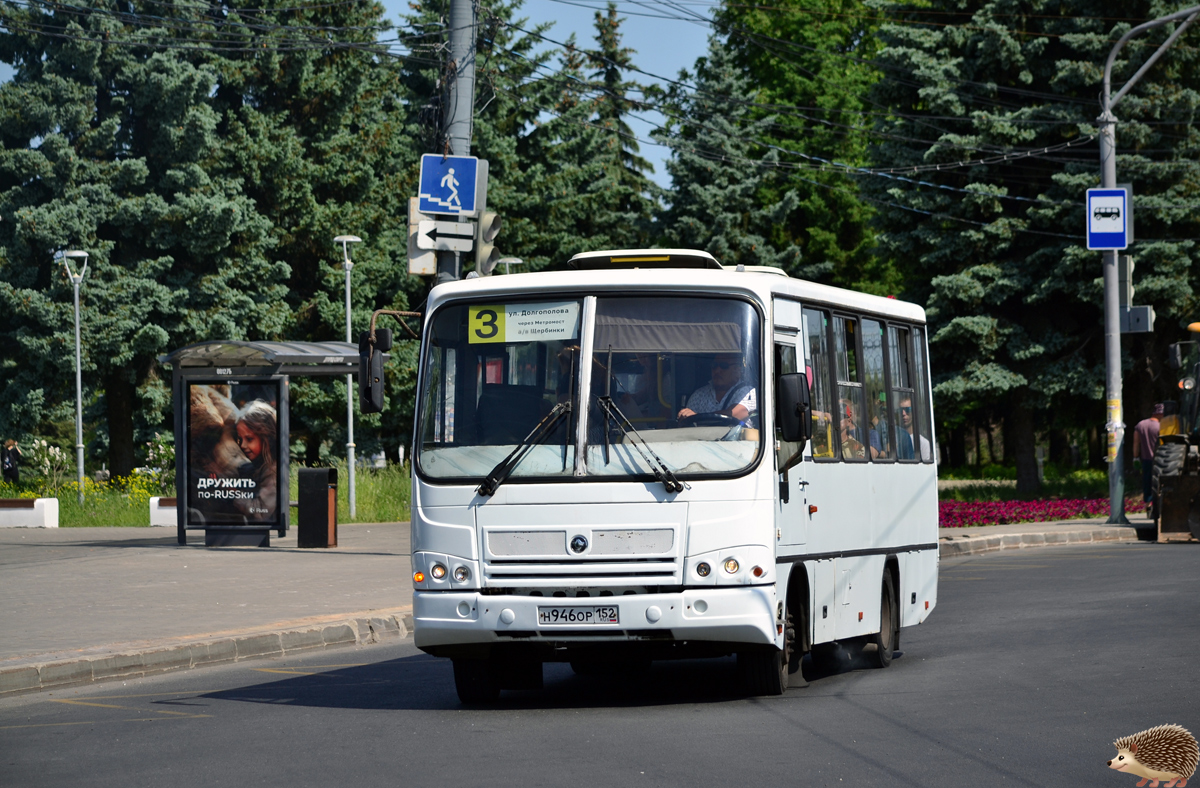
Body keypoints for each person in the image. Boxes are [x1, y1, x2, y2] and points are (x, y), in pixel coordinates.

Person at [677, 353, 757, 424]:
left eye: (724, 366)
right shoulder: (699, 395)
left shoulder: (748, 392)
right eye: (714, 365)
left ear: (737, 370)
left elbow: (734, 414)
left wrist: (698, 416)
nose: (717, 370)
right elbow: (687, 422)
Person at [234, 400, 278, 521]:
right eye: (240, 439)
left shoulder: (273, 472)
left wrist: (232, 492)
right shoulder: (253, 467)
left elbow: (260, 513)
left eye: (249, 439)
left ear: (266, 438)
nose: (242, 445)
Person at [1132, 403, 1164, 504]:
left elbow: (1136, 443)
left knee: (1147, 482)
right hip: (1159, 459)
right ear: (1160, 414)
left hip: (1146, 460)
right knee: (1159, 483)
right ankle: (1158, 504)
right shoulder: (1161, 427)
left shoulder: (1140, 425)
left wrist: (1135, 457)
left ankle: (1148, 503)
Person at [898, 396, 931, 461]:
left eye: (907, 410)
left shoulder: (923, 443)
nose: (903, 413)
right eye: (901, 410)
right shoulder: (894, 440)